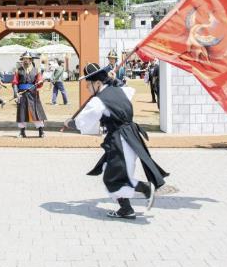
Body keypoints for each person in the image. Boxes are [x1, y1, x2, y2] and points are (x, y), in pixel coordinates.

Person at [64, 63, 168, 219]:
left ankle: (146, 188)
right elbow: (128, 90)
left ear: (97, 83)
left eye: (88, 85)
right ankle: (126, 209)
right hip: (129, 137)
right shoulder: (119, 90)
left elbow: (82, 122)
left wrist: (70, 123)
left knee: (114, 179)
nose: (87, 88)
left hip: (121, 140)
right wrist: (115, 81)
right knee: (111, 172)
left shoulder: (98, 101)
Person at [13, 51, 47, 138]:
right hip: (21, 93)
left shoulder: (37, 70)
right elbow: (14, 83)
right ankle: (22, 132)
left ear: (31, 60)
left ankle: (41, 132)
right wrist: (16, 93)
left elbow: (39, 81)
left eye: (27, 59)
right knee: (22, 113)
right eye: (24, 59)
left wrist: (40, 81)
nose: (25, 60)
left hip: (33, 94)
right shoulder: (18, 70)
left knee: (36, 112)